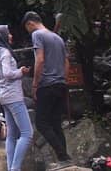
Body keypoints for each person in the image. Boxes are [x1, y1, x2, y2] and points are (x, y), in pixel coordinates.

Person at [23, 11, 70, 162]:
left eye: (27, 28)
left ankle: (63, 155)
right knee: (56, 123)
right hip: (60, 84)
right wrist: (63, 80)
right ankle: (64, 159)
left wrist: (35, 84)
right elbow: (66, 62)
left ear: (30, 23)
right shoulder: (57, 38)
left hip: (47, 84)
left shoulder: (37, 35)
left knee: (41, 123)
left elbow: (40, 60)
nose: (29, 31)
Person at [0, 25, 32, 171]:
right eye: (8, 33)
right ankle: (15, 168)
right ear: (2, 36)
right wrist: (21, 71)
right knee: (27, 133)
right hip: (13, 96)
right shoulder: (5, 53)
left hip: (4, 96)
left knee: (11, 135)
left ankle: (11, 168)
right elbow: (7, 74)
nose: (11, 35)